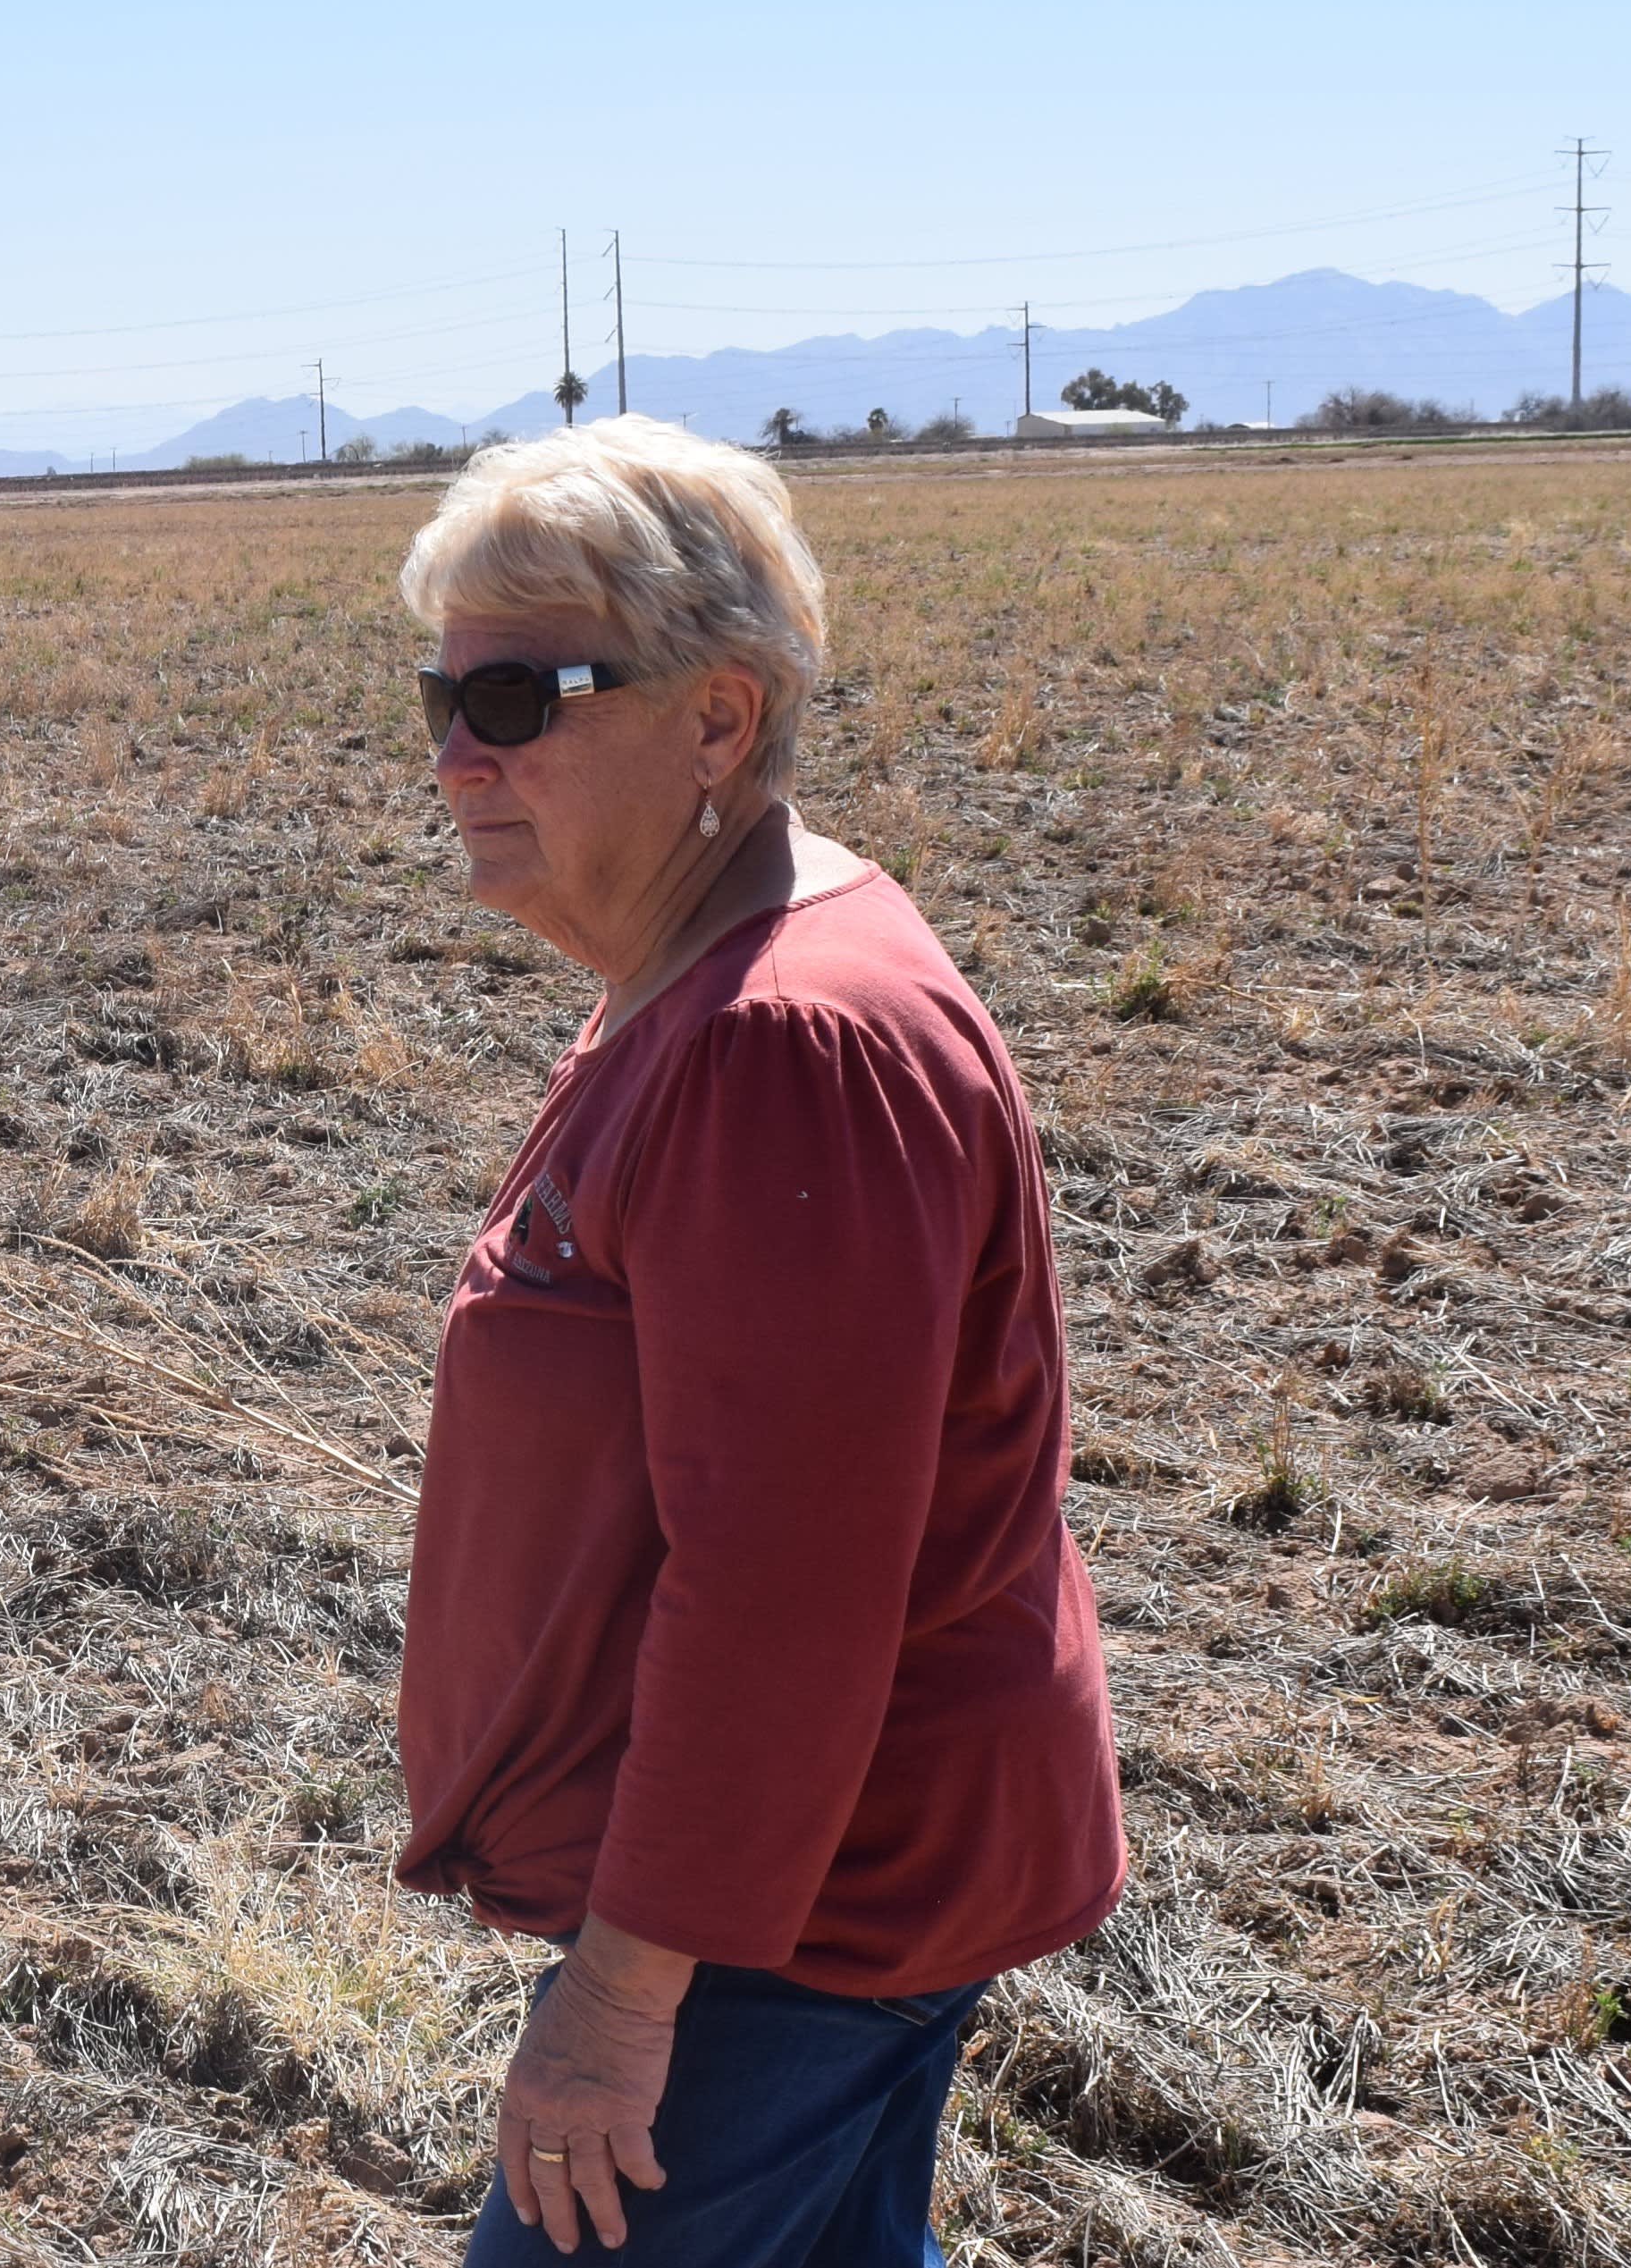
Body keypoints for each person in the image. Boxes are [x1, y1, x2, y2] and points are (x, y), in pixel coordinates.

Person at [388, 417, 1123, 2264]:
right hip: (801, 1883)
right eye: (437, 695)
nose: (460, 751)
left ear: (719, 719)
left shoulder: (778, 1040)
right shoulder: (716, 966)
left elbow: (784, 1585)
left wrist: (620, 2001)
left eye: (515, 690)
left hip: (794, 1918)